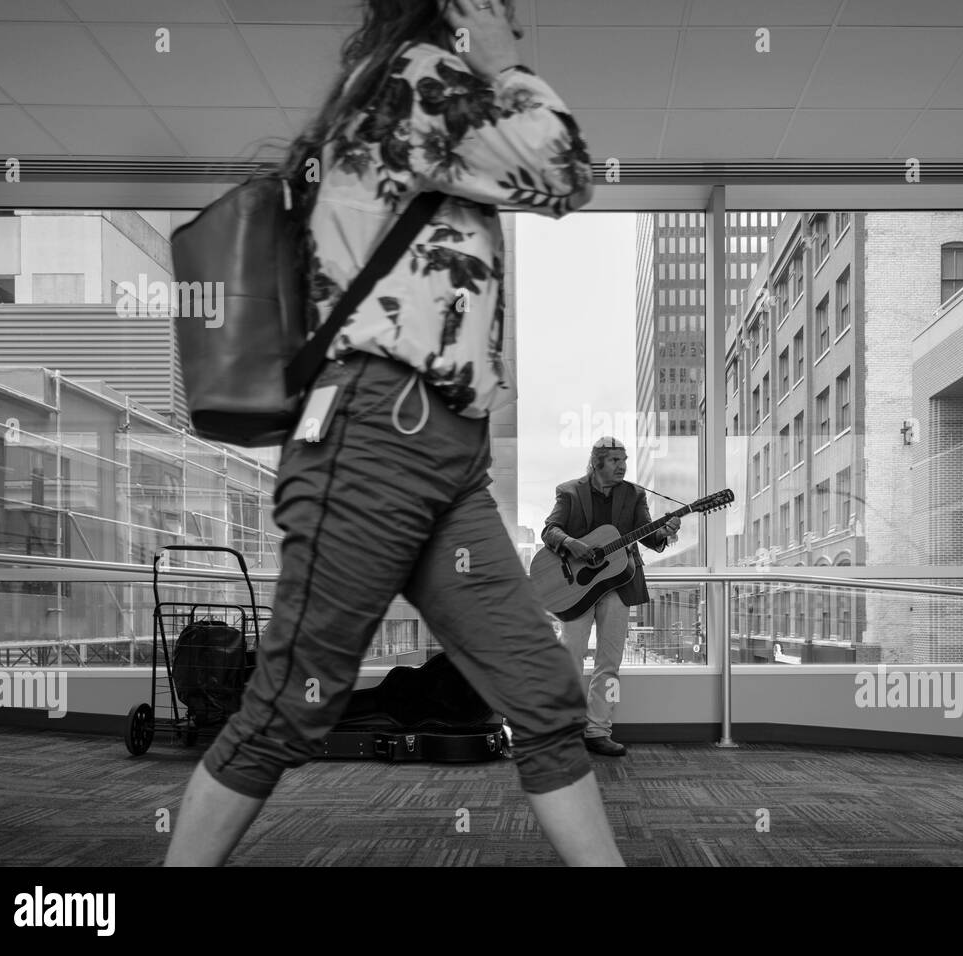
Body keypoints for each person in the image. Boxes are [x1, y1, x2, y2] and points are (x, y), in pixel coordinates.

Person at [165, 0, 624, 867]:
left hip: (444, 459)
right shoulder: (418, 80)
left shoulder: (410, 104)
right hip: (375, 439)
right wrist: (500, 65)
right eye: (496, 14)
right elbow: (564, 167)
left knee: (542, 694)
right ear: (453, 14)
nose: (512, 29)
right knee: (287, 706)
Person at [541, 437, 681, 756]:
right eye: (615, 460)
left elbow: (648, 534)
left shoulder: (635, 494)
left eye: (624, 459)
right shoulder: (569, 491)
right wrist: (574, 545)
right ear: (597, 462)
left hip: (620, 583)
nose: (622, 466)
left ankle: (597, 730)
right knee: (570, 659)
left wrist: (666, 532)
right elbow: (550, 530)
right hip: (576, 588)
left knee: (610, 662)